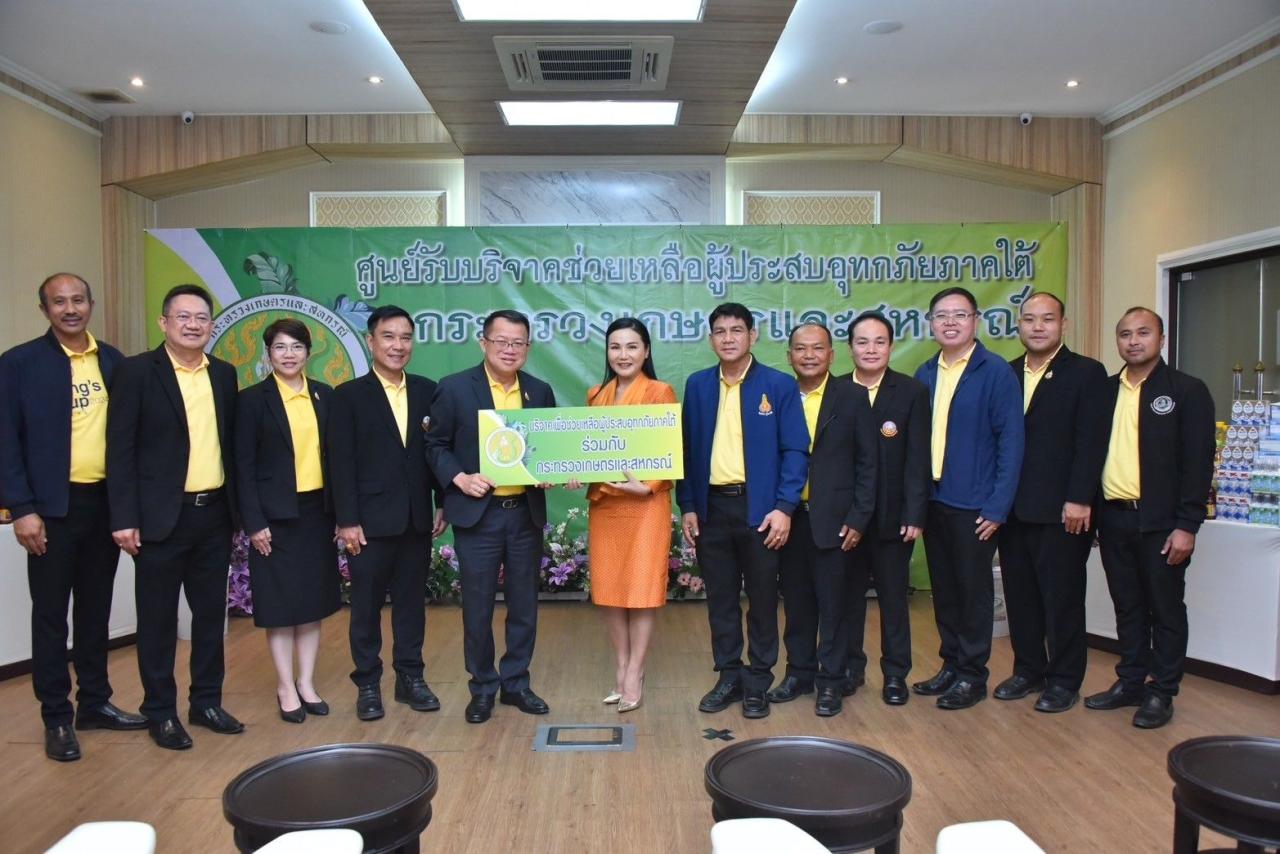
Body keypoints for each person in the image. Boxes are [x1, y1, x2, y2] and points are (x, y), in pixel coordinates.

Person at [0, 273, 147, 762]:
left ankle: (95, 703)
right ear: (44, 310)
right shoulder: (19, 364)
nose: (70, 309)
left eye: (78, 300)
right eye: (59, 302)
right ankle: (57, 718)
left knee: (94, 612)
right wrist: (22, 509)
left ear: (91, 304)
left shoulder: (113, 361)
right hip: (50, 511)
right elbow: (6, 442)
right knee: (50, 616)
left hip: (103, 506)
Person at [107, 283, 242, 750]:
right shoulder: (136, 372)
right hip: (160, 519)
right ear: (164, 322)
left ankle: (206, 702)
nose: (192, 325)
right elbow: (119, 449)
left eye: (201, 317)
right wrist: (123, 516)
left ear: (212, 325)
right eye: (183, 316)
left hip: (214, 515)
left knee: (209, 618)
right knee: (158, 621)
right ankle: (160, 711)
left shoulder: (223, 374)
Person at [1085, 307, 1214, 728]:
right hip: (1114, 518)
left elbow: (1198, 464)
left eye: (1143, 333)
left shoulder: (1186, 390)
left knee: (1165, 609)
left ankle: (1162, 691)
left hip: (1162, 523)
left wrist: (1187, 525)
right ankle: (1131, 682)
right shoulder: (1105, 391)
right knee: (1127, 607)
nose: (1134, 341)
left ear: (1162, 339)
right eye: (1125, 334)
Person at [678, 302, 808, 720]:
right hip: (711, 509)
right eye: (720, 331)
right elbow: (685, 450)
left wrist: (785, 508)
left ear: (753, 335)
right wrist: (688, 505)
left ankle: (758, 681)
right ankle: (729, 676)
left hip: (761, 511)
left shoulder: (779, 385)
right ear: (710, 339)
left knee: (764, 600)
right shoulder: (698, 385)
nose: (728, 338)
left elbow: (796, 451)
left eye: (737, 330)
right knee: (720, 599)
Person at [427, 309, 557, 724]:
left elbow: (548, 448)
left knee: (524, 606)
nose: (509, 349)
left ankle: (516, 683)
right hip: (478, 518)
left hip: (523, 516)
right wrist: (459, 479)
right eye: (501, 341)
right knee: (478, 607)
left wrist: (550, 471)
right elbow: (435, 445)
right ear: (483, 342)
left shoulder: (539, 391)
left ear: (528, 348)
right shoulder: (454, 388)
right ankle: (482, 686)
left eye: (518, 343)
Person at [328, 305, 445, 721]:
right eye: (389, 337)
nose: (398, 346)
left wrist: (443, 501)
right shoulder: (348, 396)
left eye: (406, 338)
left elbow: (436, 452)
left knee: (412, 605)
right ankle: (368, 684)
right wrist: (346, 520)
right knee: (366, 607)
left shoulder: (428, 391)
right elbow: (340, 463)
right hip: (367, 524)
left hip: (415, 518)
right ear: (370, 341)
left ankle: (410, 678)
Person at [995, 293, 1109, 713]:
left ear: (1064, 324)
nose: (1038, 327)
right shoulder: (1006, 373)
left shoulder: (1086, 373)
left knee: (1061, 598)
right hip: (1012, 509)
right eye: (1029, 319)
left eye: (1047, 319)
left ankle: (1063, 680)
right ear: (1018, 325)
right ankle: (1028, 670)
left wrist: (1079, 498)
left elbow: (1091, 441)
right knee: (1020, 595)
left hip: (1063, 510)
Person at [911, 287, 1024, 710]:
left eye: (960, 314)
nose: (950, 322)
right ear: (931, 323)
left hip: (975, 505)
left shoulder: (995, 372)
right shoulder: (926, 372)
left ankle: (973, 675)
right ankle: (951, 664)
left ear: (976, 321)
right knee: (944, 589)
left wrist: (998, 505)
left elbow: (1011, 443)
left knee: (973, 592)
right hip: (934, 501)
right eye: (942, 315)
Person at [568, 318, 677, 713]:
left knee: (641, 590)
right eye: (615, 347)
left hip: (645, 506)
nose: (623, 354)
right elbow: (591, 449)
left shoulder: (660, 391)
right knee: (610, 590)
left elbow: (669, 448)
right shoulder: (596, 394)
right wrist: (574, 469)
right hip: (607, 506)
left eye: (632, 346)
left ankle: (635, 671)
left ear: (646, 351)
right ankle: (621, 665)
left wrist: (648, 485)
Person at [767, 322, 877, 717]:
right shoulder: (778, 395)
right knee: (797, 603)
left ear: (832, 354)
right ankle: (799, 673)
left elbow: (868, 464)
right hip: (789, 520)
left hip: (836, 521)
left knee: (835, 606)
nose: (809, 355)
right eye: (801, 348)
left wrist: (859, 518)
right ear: (789, 356)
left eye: (817, 348)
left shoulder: (852, 396)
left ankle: (831, 680)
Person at [235, 318, 341, 723]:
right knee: (279, 606)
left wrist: (340, 514)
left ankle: (307, 682)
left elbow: (337, 460)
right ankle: (285, 686)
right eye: (280, 347)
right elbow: (242, 467)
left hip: (317, 514)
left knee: (312, 604)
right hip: (273, 519)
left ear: (308, 352)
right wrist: (253, 522)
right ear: (268, 354)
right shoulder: (251, 400)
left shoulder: (324, 395)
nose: (289, 354)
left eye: (296, 347)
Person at [843, 311, 932, 706]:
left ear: (891, 347)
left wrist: (915, 513)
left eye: (879, 342)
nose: (871, 349)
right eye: (862, 342)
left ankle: (895, 674)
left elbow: (918, 459)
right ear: (850, 348)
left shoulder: (911, 392)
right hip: (847, 519)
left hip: (894, 519)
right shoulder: (837, 390)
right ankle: (850, 668)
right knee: (847, 599)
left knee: (894, 599)